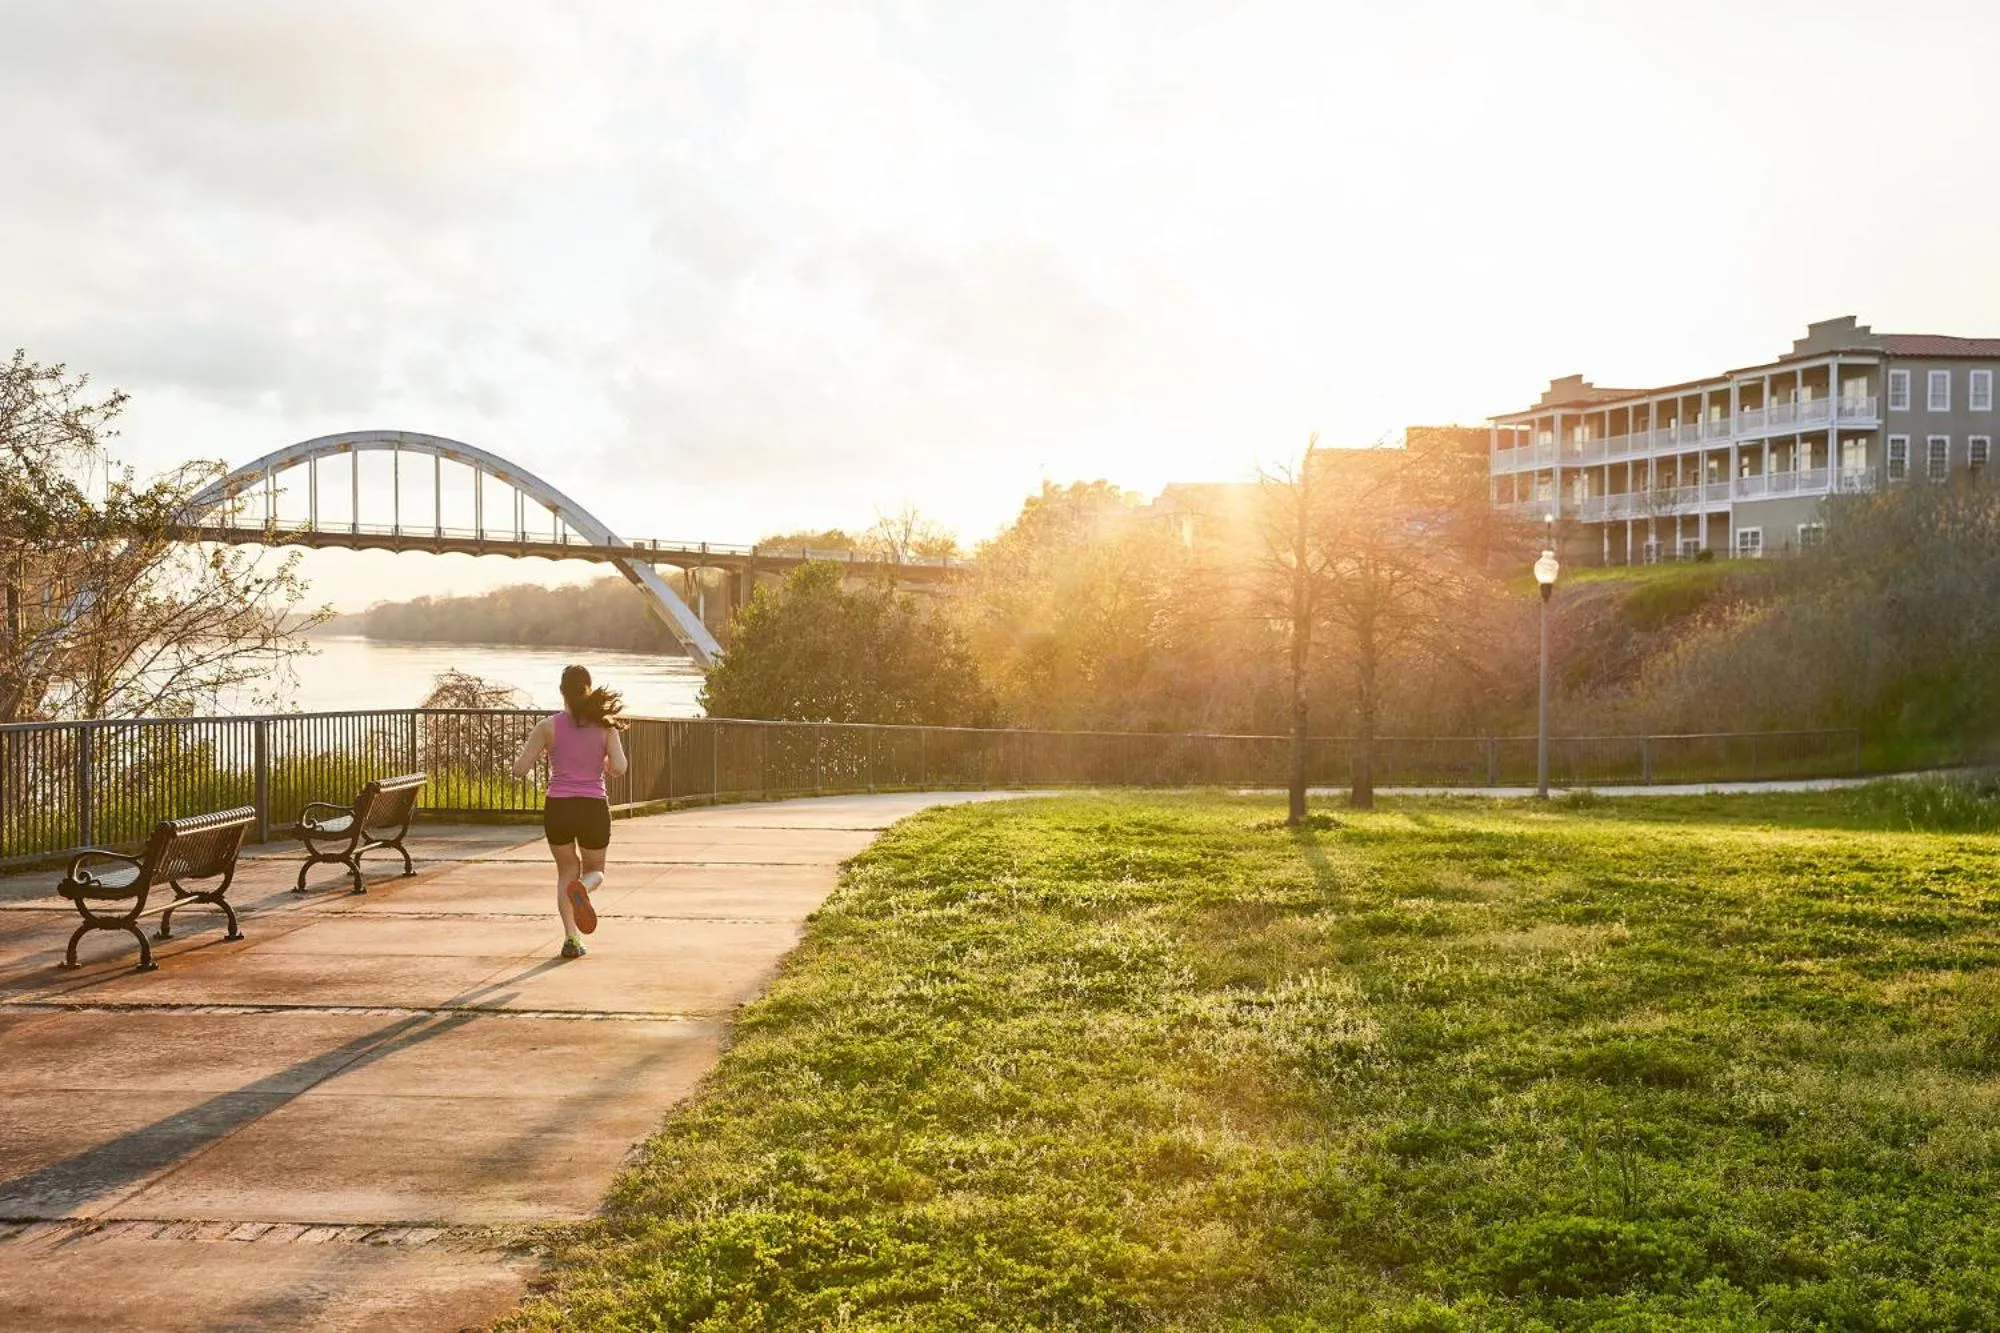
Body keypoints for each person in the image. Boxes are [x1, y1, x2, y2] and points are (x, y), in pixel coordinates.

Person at [511, 665, 629, 959]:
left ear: (561, 691)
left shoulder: (547, 727)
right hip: (592, 807)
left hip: (559, 807)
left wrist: (543, 755)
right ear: (589, 689)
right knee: (595, 870)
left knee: (566, 871)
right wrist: (605, 765)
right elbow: (620, 767)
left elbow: (519, 769)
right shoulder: (606, 726)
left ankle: (571, 939)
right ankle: (584, 889)